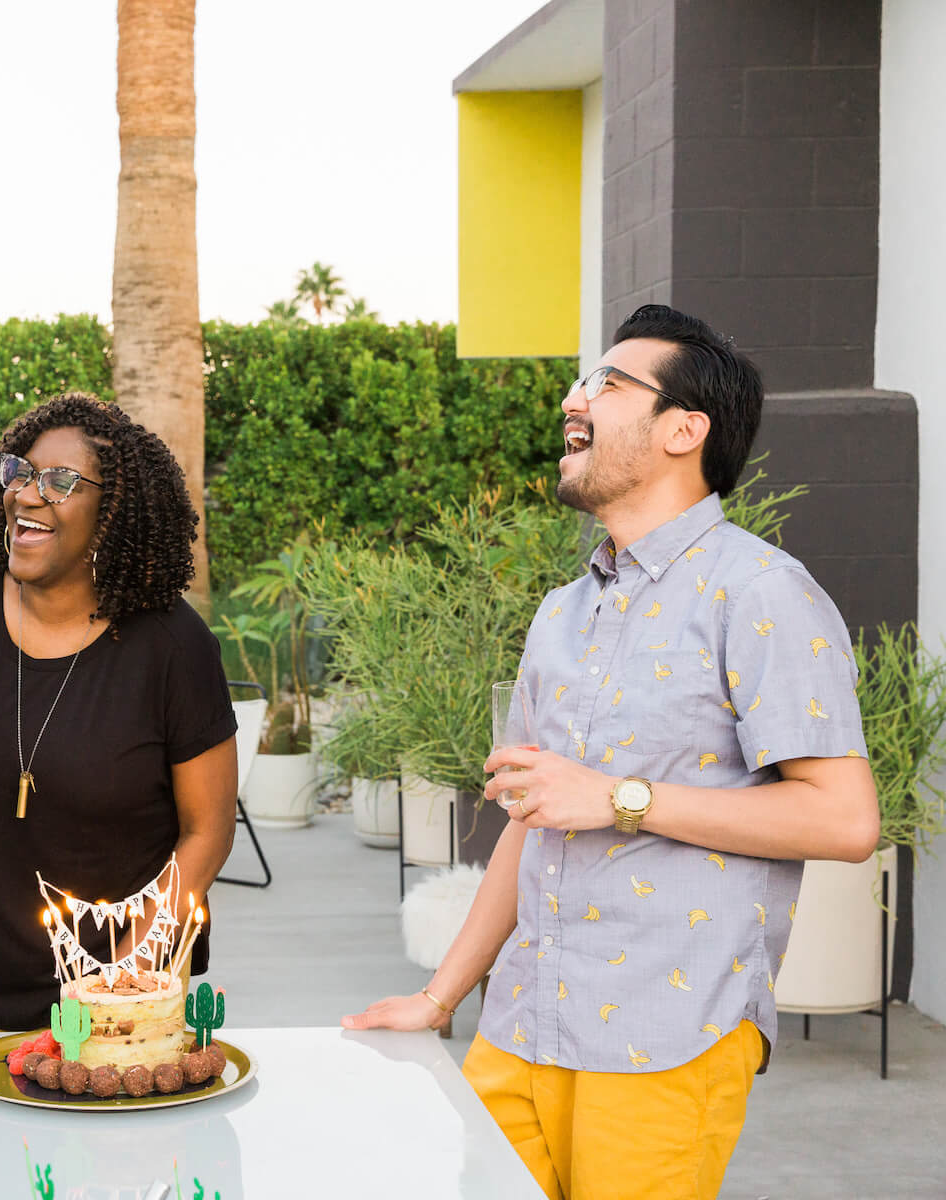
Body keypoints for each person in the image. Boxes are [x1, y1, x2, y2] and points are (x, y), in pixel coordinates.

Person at [344, 306, 879, 1199]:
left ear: (684, 430)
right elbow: (533, 821)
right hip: (518, 1029)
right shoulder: (562, 612)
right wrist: (439, 998)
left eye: (607, 382)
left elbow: (845, 820)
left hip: (665, 1037)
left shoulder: (762, 593)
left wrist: (620, 798)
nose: (573, 398)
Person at [0, 393, 239, 1031]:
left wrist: (124, 976)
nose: (26, 494)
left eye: (60, 482)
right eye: (19, 473)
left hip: (132, 978)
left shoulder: (172, 646)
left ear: (112, 512)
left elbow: (207, 833)